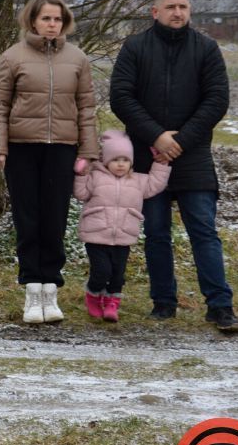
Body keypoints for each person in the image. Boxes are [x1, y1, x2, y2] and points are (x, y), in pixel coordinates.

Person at [109, 0, 238, 332]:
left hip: (193, 156)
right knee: (155, 232)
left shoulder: (207, 49)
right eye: (170, 7)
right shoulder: (135, 47)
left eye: (183, 6)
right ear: (155, 12)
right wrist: (156, 136)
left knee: (203, 231)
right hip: (146, 156)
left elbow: (216, 100)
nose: (178, 13)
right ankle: (164, 303)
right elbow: (121, 97)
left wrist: (180, 141)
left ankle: (220, 306)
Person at [0, 0, 98, 325]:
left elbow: (87, 108)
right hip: (22, 148)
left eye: (57, 19)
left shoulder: (77, 59)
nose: (52, 24)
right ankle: (31, 291)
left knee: (54, 220)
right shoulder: (12, 57)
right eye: (45, 18)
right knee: (28, 220)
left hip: (61, 149)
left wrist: (89, 149)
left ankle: (51, 290)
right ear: (32, 20)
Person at [73, 130, 171, 322]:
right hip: (96, 234)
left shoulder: (138, 181)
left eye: (125, 160)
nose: (120, 164)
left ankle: (111, 303)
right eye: (115, 159)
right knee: (101, 272)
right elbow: (81, 193)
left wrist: (161, 163)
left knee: (118, 274)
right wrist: (82, 173)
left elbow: (156, 184)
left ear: (131, 162)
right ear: (105, 160)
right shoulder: (96, 177)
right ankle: (93, 294)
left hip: (124, 236)